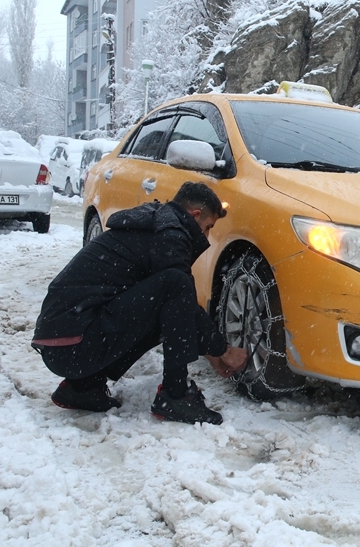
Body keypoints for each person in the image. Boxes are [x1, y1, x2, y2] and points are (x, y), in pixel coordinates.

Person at [32, 182, 248, 425]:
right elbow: (181, 298)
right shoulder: (170, 235)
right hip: (74, 344)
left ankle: (83, 387)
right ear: (194, 215)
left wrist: (211, 352)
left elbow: (174, 313)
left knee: (167, 301)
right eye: (207, 227)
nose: (206, 236)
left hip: (63, 343)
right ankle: (175, 396)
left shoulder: (155, 226)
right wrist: (223, 350)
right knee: (176, 284)